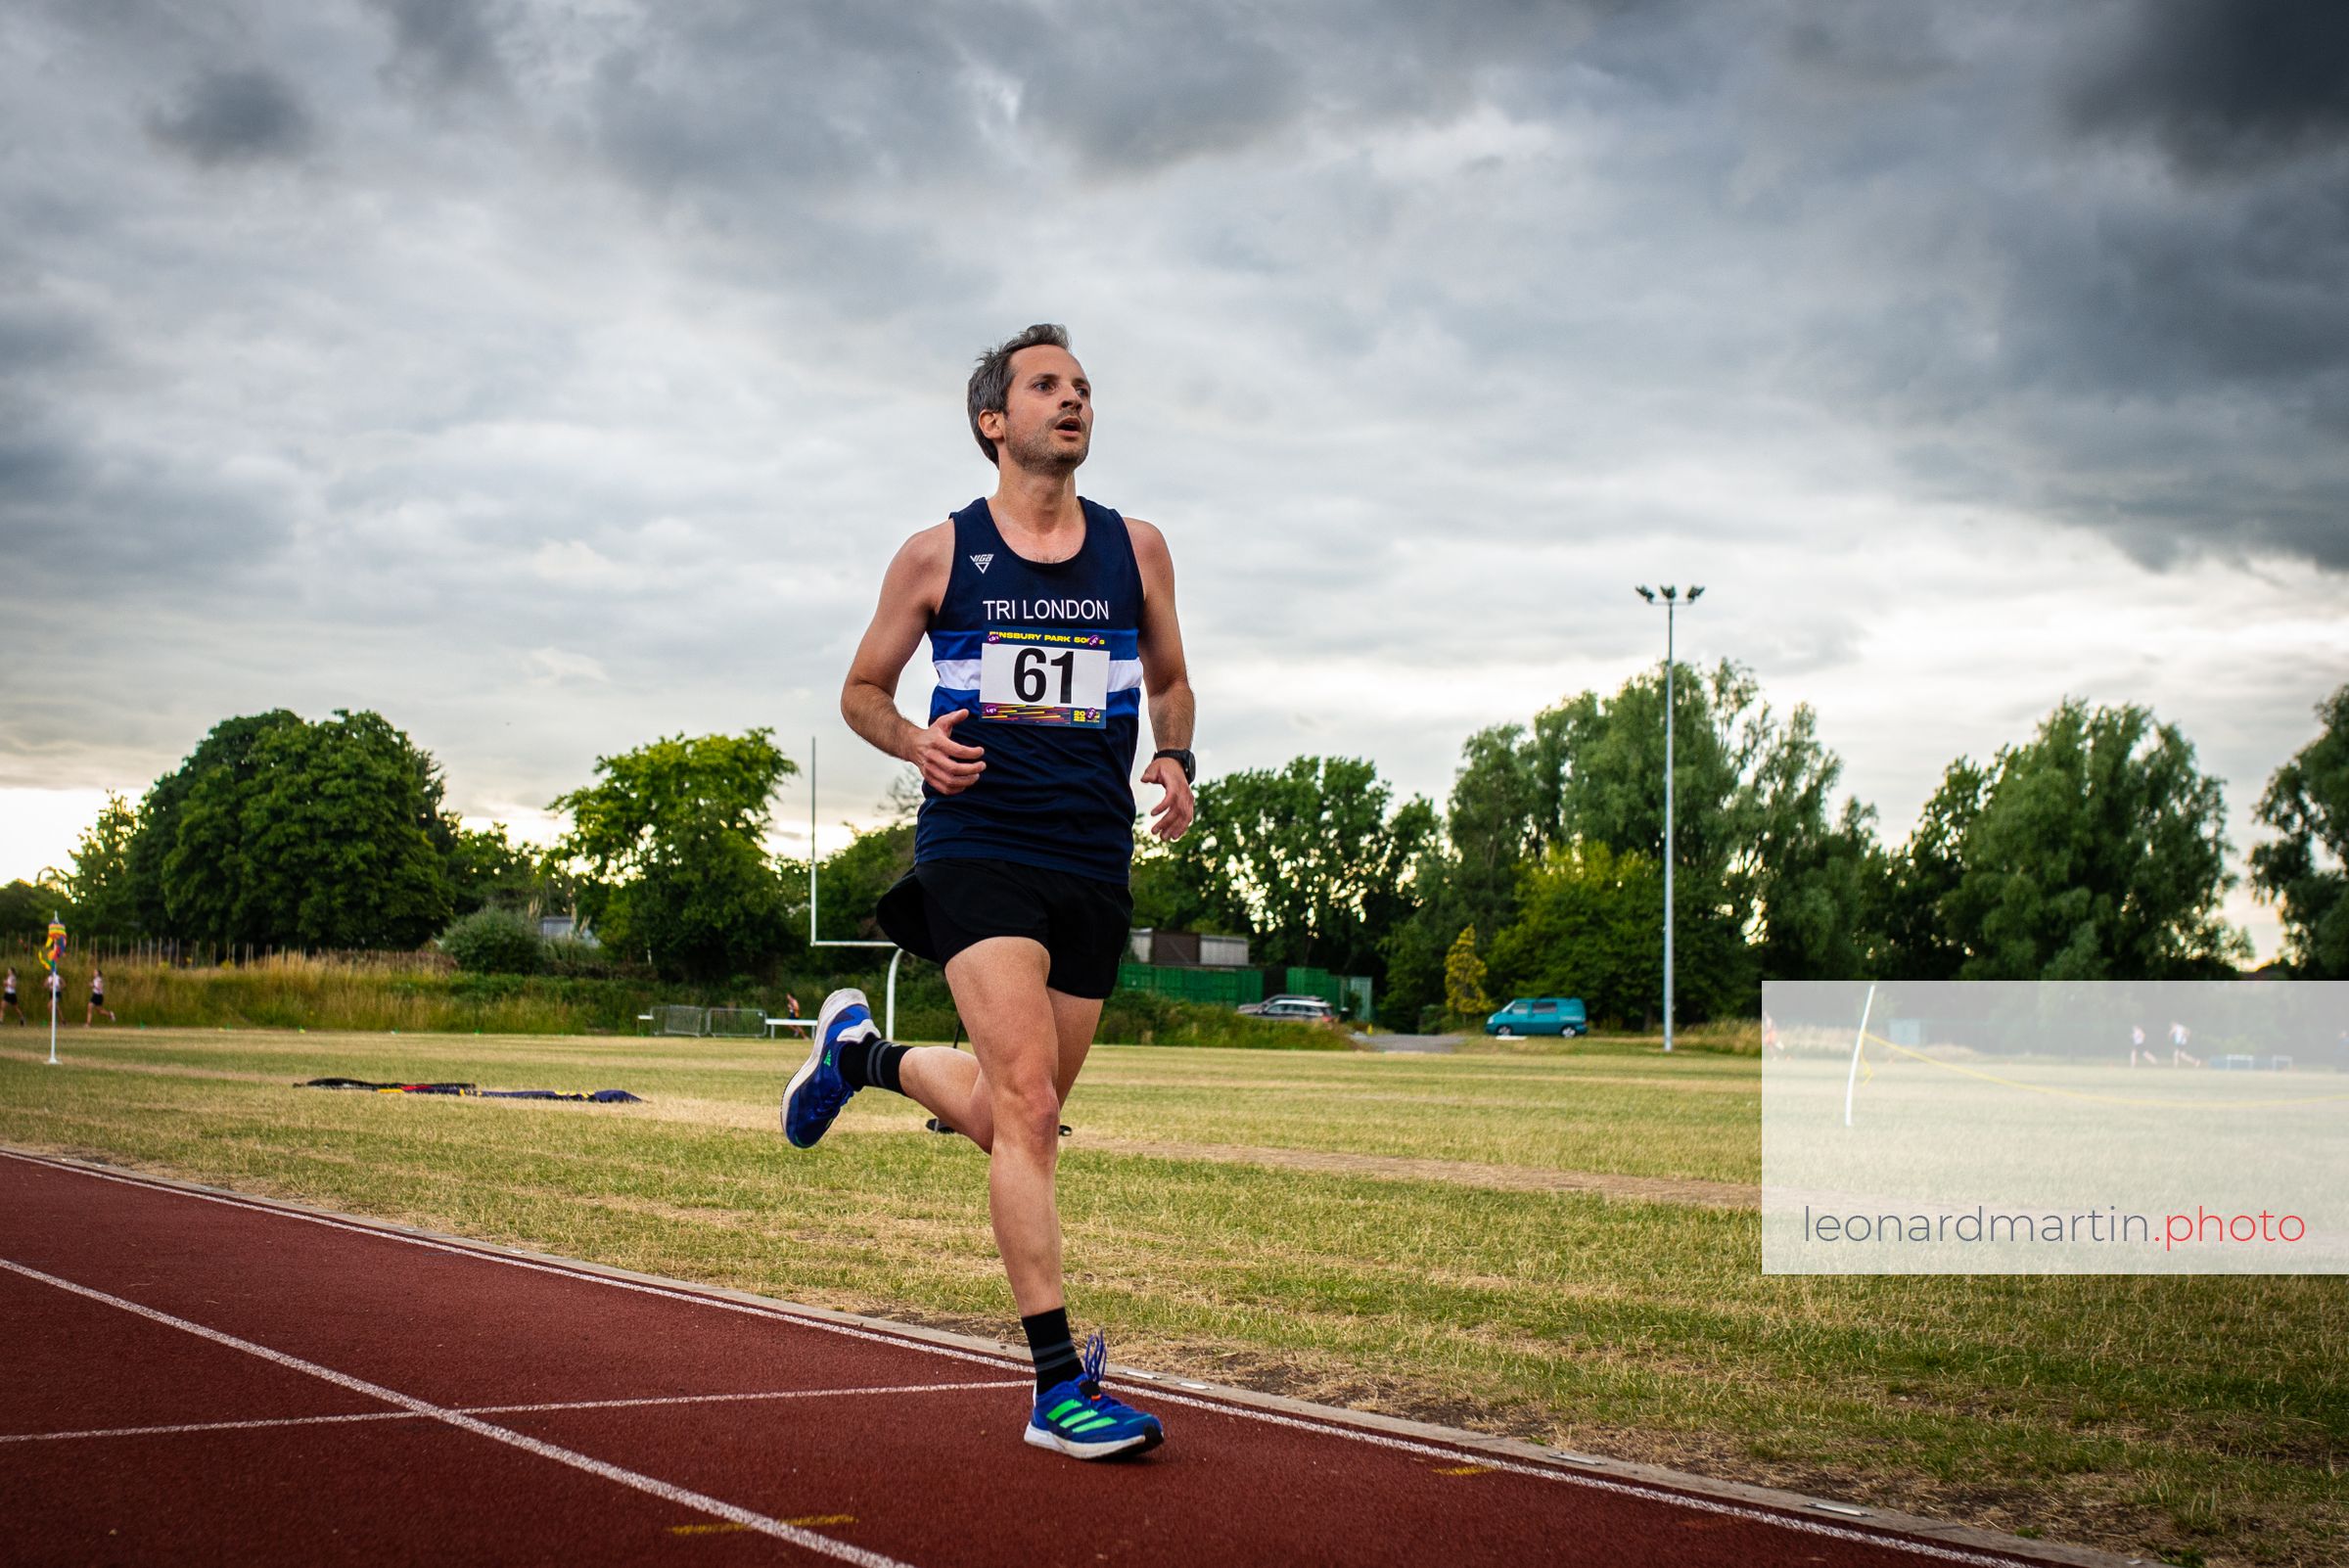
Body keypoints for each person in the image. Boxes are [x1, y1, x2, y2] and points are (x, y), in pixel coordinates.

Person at [786, 323, 1195, 1461]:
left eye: (1084, 387)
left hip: (1092, 854)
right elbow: (862, 691)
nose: (1074, 400)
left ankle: (859, 1058)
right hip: (978, 843)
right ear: (993, 420)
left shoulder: (1137, 550)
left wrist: (1174, 755)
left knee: (1026, 1118)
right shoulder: (938, 555)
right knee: (1025, 1105)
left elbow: (1171, 679)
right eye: (1047, 385)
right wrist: (914, 742)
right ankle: (1057, 1390)